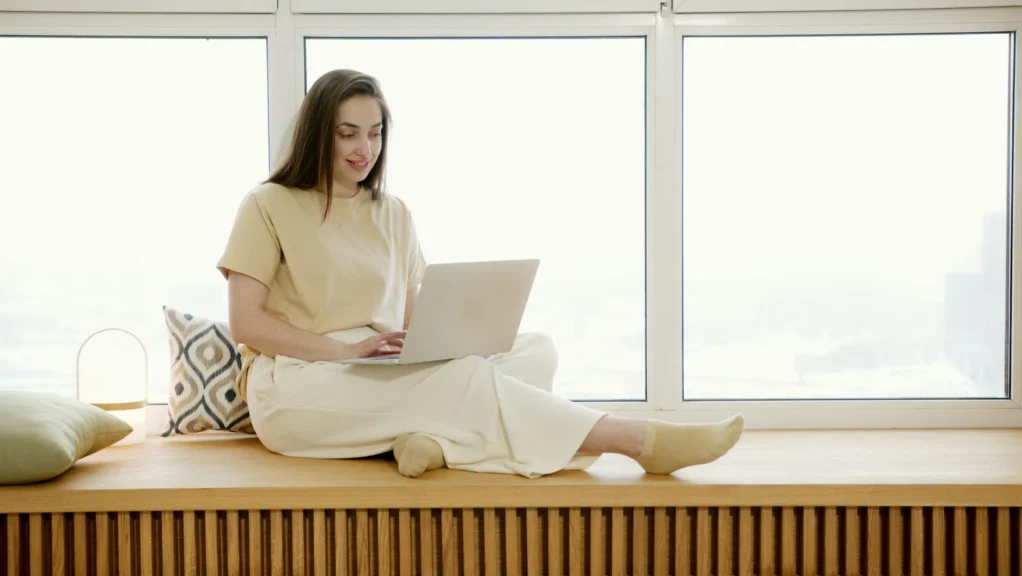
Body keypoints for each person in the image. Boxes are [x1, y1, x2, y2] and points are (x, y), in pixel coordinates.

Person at [217, 68, 745, 479]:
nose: (365, 150)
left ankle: (436, 443)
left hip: (376, 367)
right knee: (465, 380)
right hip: (299, 383)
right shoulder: (269, 204)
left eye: (375, 134)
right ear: (318, 134)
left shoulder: (392, 212)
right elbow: (247, 324)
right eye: (348, 134)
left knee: (536, 348)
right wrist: (345, 351)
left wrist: (450, 341)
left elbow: (407, 317)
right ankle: (637, 440)